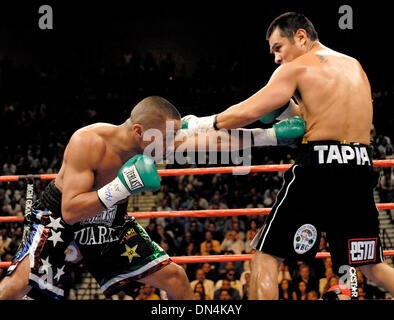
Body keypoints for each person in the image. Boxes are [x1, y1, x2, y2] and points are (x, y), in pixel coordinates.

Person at [182, 12, 394, 299]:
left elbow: (248, 111)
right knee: (369, 264)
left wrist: (200, 123)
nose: (276, 58)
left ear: (301, 37)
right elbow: (324, 120)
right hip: (360, 167)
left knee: (266, 257)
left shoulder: (296, 68)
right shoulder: (354, 66)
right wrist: (288, 112)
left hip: (320, 167)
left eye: (278, 48)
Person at [0, 96, 195, 300]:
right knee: (17, 287)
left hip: (110, 220)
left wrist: (207, 123)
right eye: (167, 139)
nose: (170, 146)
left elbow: (207, 138)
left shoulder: (154, 142)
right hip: (60, 218)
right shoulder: (88, 141)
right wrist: (121, 187)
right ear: (138, 131)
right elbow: (70, 212)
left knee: (176, 278)